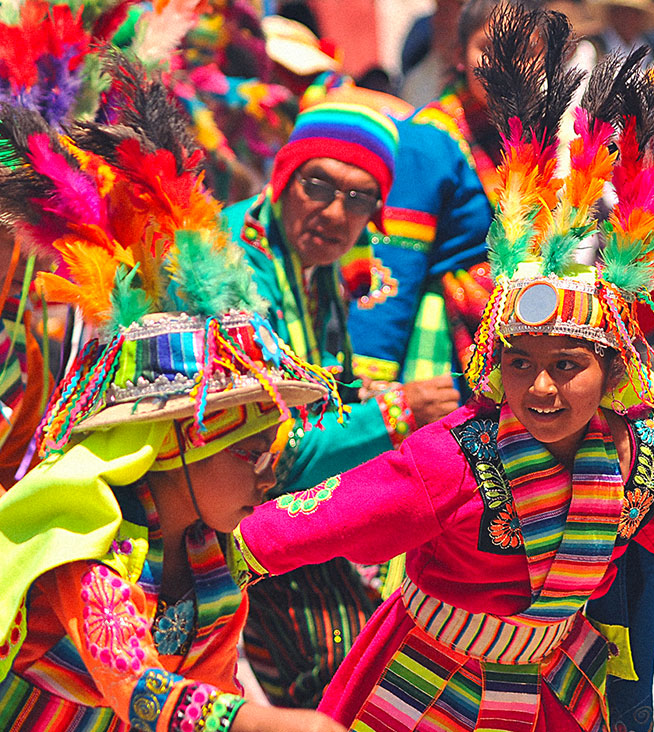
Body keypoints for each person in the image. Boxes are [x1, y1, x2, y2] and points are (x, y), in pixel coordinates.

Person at [231, 7, 654, 730]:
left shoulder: (639, 459)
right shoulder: (451, 459)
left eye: (568, 364)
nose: (545, 386)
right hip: (422, 680)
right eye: (521, 365)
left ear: (615, 372)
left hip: (553, 687)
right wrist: (227, 555)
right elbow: (332, 517)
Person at [0, 58, 344, 732]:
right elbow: (142, 690)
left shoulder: (215, 550)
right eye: (251, 454)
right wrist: (264, 724)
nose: (270, 476)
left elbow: (209, 678)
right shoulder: (93, 549)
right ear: (182, 438)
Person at [221, 100, 447, 707]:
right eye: (317, 185)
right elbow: (275, 455)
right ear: (283, 178)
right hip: (218, 510)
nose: (334, 212)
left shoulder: (314, 262)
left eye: (360, 197)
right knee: (348, 674)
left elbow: (327, 392)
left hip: (250, 504)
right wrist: (400, 411)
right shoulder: (232, 272)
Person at [345, 0, 510, 402]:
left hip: (511, 340)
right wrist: (372, 386)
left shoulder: (525, 143)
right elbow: (394, 263)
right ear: (459, 55)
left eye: (524, 49)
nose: (505, 64)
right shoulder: (428, 141)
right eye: (489, 48)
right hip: (445, 351)